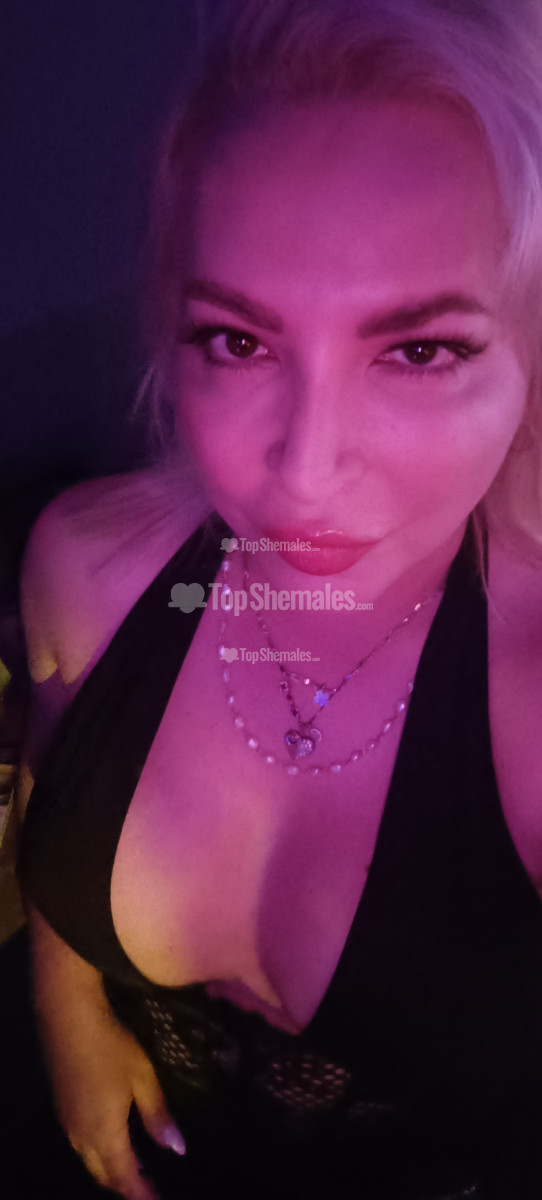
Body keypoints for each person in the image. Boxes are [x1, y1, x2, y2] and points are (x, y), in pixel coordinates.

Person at [12, 0, 542, 1196]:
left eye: (417, 350)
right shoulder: (83, 566)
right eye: (238, 343)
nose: (299, 475)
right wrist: (66, 1009)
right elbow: (57, 775)